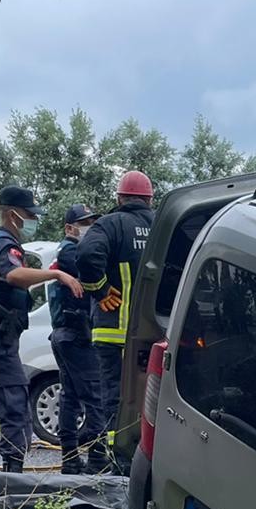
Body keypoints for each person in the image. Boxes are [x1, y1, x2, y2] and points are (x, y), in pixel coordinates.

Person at [0, 186, 83, 472]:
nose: (33, 220)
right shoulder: (6, 245)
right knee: (15, 403)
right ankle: (13, 480)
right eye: (29, 215)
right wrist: (56, 273)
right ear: (13, 215)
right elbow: (14, 275)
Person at [75, 169, 154, 472]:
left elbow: (86, 255)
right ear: (150, 199)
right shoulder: (162, 225)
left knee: (116, 397)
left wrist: (100, 290)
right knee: (149, 398)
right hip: (154, 333)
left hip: (113, 333)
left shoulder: (110, 225)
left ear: (120, 198)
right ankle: (144, 458)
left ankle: (118, 464)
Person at [48, 203, 100, 474]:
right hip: (75, 334)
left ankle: (70, 459)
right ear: (70, 228)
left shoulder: (66, 250)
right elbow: (91, 271)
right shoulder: (70, 250)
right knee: (94, 395)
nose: (90, 227)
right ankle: (97, 459)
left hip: (66, 334)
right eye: (85, 223)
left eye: (92, 222)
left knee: (70, 396)